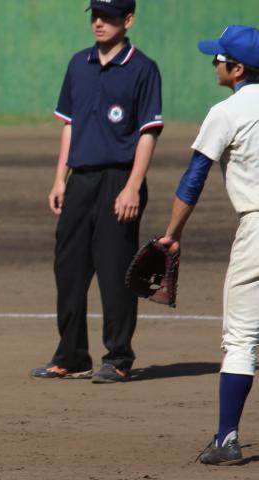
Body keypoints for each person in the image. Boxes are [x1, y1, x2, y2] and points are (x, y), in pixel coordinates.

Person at [30, 0, 163, 383]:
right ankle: (71, 356)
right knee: (68, 269)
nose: (99, 22)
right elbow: (69, 125)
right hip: (80, 181)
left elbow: (148, 133)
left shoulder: (143, 68)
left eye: (109, 16)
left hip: (119, 181)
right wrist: (60, 178)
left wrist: (133, 186)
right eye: (95, 15)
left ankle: (118, 358)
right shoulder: (78, 64)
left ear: (128, 20)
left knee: (114, 271)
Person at [158, 25, 259, 466]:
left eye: (217, 58)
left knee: (241, 339)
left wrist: (172, 234)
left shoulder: (227, 111)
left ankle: (226, 440)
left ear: (237, 69)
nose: (213, 64)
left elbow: (193, 178)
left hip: (257, 229)